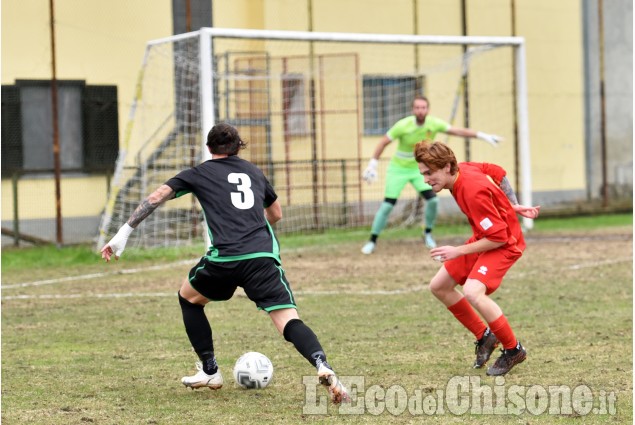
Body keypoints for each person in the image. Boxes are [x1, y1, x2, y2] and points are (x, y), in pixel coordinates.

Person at [100, 123, 350, 403]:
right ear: (238, 147)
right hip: (261, 258)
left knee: (189, 299)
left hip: (225, 258)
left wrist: (123, 234)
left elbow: (157, 196)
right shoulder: (254, 171)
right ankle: (321, 364)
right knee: (288, 321)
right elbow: (276, 214)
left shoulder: (198, 173)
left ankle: (210, 370)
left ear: (209, 148)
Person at [413, 140, 540, 376]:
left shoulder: (471, 190)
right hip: (486, 237)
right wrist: (511, 204)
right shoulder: (464, 168)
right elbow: (497, 171)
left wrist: (458, 251)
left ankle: (514, 350)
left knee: (472, 291)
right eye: (423, 173)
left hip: (505, 243)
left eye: (429, 173)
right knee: (440, 286)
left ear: (448, 167)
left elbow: (500, 237)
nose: (426, 179)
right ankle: (485, 336)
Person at [361, 95, 502, 254]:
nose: (420, 110)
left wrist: (483, 136)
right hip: (398, 169)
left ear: (427, 109)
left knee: (433, 201)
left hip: (419, 170)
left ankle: (427, 233)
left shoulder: (433, 124)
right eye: (417, 107)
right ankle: (372, 241)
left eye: (423, 107)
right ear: (413, 109)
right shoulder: (403, 125)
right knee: (387, 205)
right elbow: (383, 142)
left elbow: (458, 131)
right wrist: (372, 164)